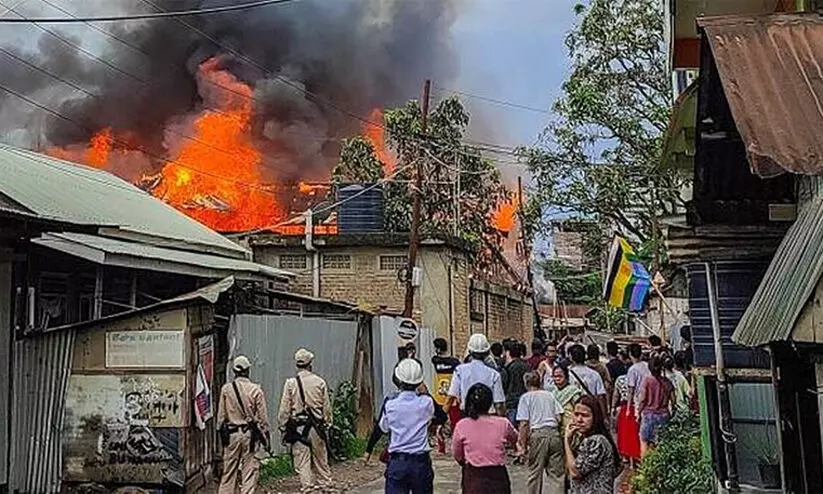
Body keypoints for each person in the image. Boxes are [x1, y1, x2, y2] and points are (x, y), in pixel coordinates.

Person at [277, 349, 333, 492]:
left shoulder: (290, 384)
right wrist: (327, 424)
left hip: (298, 428)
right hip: (316, 426)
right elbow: (326, 407)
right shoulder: (319, 382)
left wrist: (283, 426)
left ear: (297, 365)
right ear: (310, 364)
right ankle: (325, 484)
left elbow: (284, 410)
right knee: (321, 459)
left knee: (302, 461)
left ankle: (307, 487)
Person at [379, 359, 436, 494]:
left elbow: (384, 427)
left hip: (398, 462)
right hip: (420, 462)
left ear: (398, 379)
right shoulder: (426, 403)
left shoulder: (390, 404)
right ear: (419, 381)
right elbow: (433, 415)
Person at [452, 383, 518, 494]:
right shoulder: (503, 423)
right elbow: (516, 439)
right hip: (498, 476)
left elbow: (457, 454)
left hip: (474, 476)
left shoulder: (462, 425)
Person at [218, 356, 270, 494]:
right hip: (250, 436)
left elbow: (221, 418)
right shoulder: (256, 390)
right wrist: (265, 435)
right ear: (248, 371)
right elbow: (263, 419)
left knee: (229, 472)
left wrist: (222, 436)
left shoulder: (226, 389)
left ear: (234, 371)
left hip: (231, 435)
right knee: (249, 471)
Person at [516, 372, 565, 494]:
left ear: (526, 384)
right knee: (557, 475)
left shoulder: (526, 398)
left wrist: (522, 444)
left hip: (537, 434)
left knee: (535, 473)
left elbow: (524, 424)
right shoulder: (550, 395)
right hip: (554, 434)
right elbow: (559, 416)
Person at [564, 395, 621, 494]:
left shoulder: (596, 442)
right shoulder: (587, 439)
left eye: (585, 415)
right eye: (576, 414)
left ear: (595, 418)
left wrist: (566, 441)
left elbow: (575, 472)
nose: (579, 419)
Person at [447, 333, 506, 417]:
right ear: (487, 352)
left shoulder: (459, 371)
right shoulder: (494, 374)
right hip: (488, 416)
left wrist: (441, 417)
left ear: (469, 351)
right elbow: (499, 404)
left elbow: (451, 396)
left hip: (467, 415)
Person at [637, 356, 674, 458]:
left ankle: (646, 468)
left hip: (648, 415)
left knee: (644, 442)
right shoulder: (667, 382)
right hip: (664, 415)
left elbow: (643, 399)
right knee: (661, 444)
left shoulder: (647, 381)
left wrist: (638, 412)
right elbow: (673, 401)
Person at [431, 337, 462, 449]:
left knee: (440, 419)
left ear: (438, 349)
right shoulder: (455, 362)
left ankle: (441, 445)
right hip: (452, 395)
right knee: (455, 421)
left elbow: (435, 358)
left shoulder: (435, 361)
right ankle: (456, 443)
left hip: (439, 394)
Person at [567, 344, 607, 415]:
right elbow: (600, 396)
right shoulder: (594, 374)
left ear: (571, 357)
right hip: (590, 410)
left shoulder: (567, 374)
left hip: (573, 409)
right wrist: (604, 415)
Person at [612, 371, 640, 463]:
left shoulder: (620, 379)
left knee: (623, 432)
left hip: (624, 407)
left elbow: (616, 395)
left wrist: (613, 407)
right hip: (636, 406)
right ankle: (636, 454)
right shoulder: (638, 377)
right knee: (634, 432)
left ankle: (625, 455)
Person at [501, 340, 531, 425]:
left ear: (508, 352)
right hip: (526, 403)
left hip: (512, 404)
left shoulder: (508, 369)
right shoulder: (527, 366)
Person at [548, 365, 582, 431]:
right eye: (555, 376)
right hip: (558, 429)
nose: (557, 379)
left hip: (572, 427)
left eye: (560, 376)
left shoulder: (573, 391)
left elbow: (578, 409)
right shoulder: (553, 393)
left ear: (566, 377)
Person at [585, 344, 613, 411]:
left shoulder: (584, 366)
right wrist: (608, 404)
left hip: (585, 398)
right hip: (599, 399)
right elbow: (608, 386)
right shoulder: (602, 367)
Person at [625, 343, 650, 415]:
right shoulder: (647, 365)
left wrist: (628, 408)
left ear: (630, 354)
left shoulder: (632, 369)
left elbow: (631, 390)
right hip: (650, 398)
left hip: (639, 399)